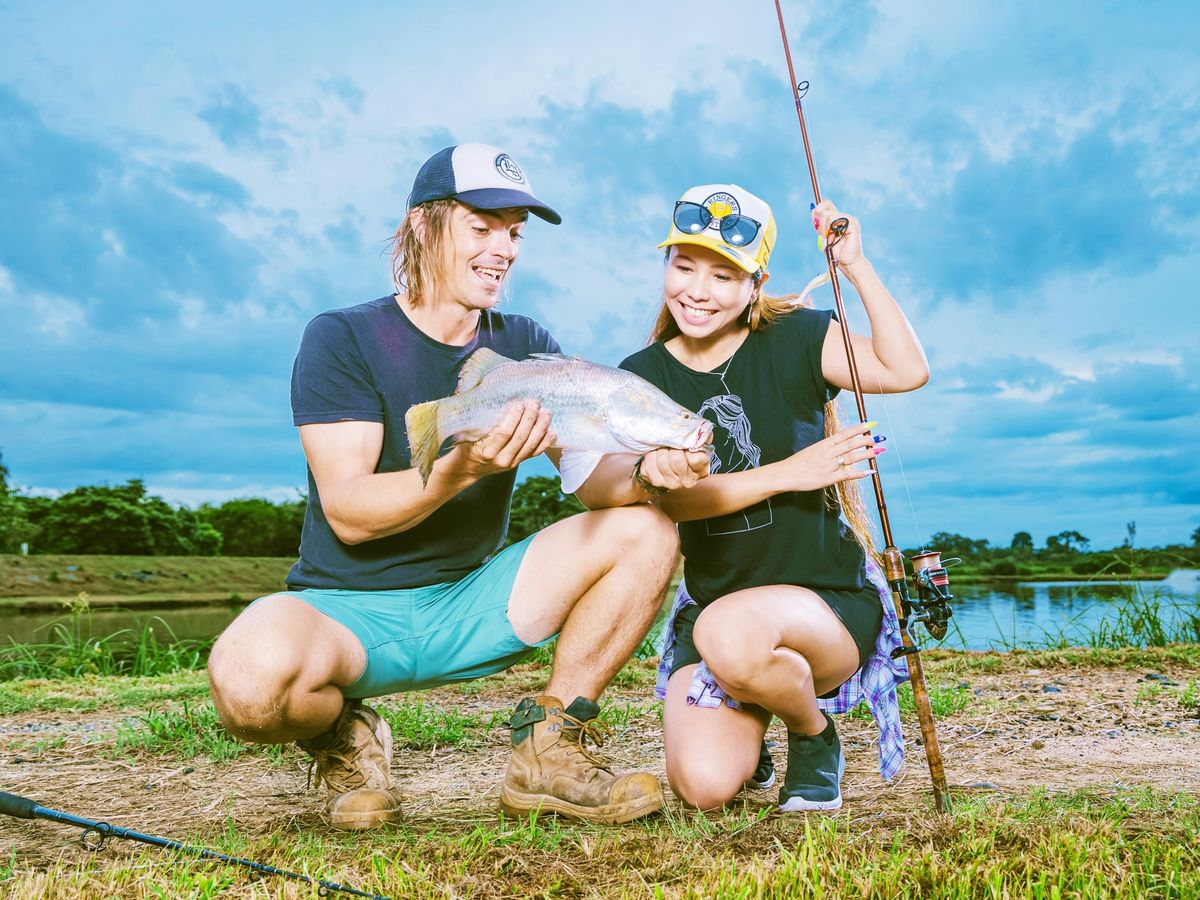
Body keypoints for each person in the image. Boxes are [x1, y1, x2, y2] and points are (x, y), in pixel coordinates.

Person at [207, 144, 678, 830]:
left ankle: (548, 748)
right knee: (248, 682)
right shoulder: (341, 336)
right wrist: (462, 468)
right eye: (481, 227)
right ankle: (344, 736)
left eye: (514, 233)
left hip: (470, 603)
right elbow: (349, 514)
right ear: (421, 226)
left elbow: (592, 484)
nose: (503, 250)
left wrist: (647, 474)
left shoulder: (524, 341)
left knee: (647, 529)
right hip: (346, 615)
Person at [566, 183, 928, 811]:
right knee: (703, 788)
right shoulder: (642, 374)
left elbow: (905, 371)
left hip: (824, 606)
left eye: (723, 275)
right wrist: (790, 473)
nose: (698, 291)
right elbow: (672, 503)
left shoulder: (799, 336)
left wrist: (856, 265)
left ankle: (812, 733)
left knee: (731, 632)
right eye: (684, 267)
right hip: (715, 609)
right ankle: (754, 710)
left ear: (755, 285)